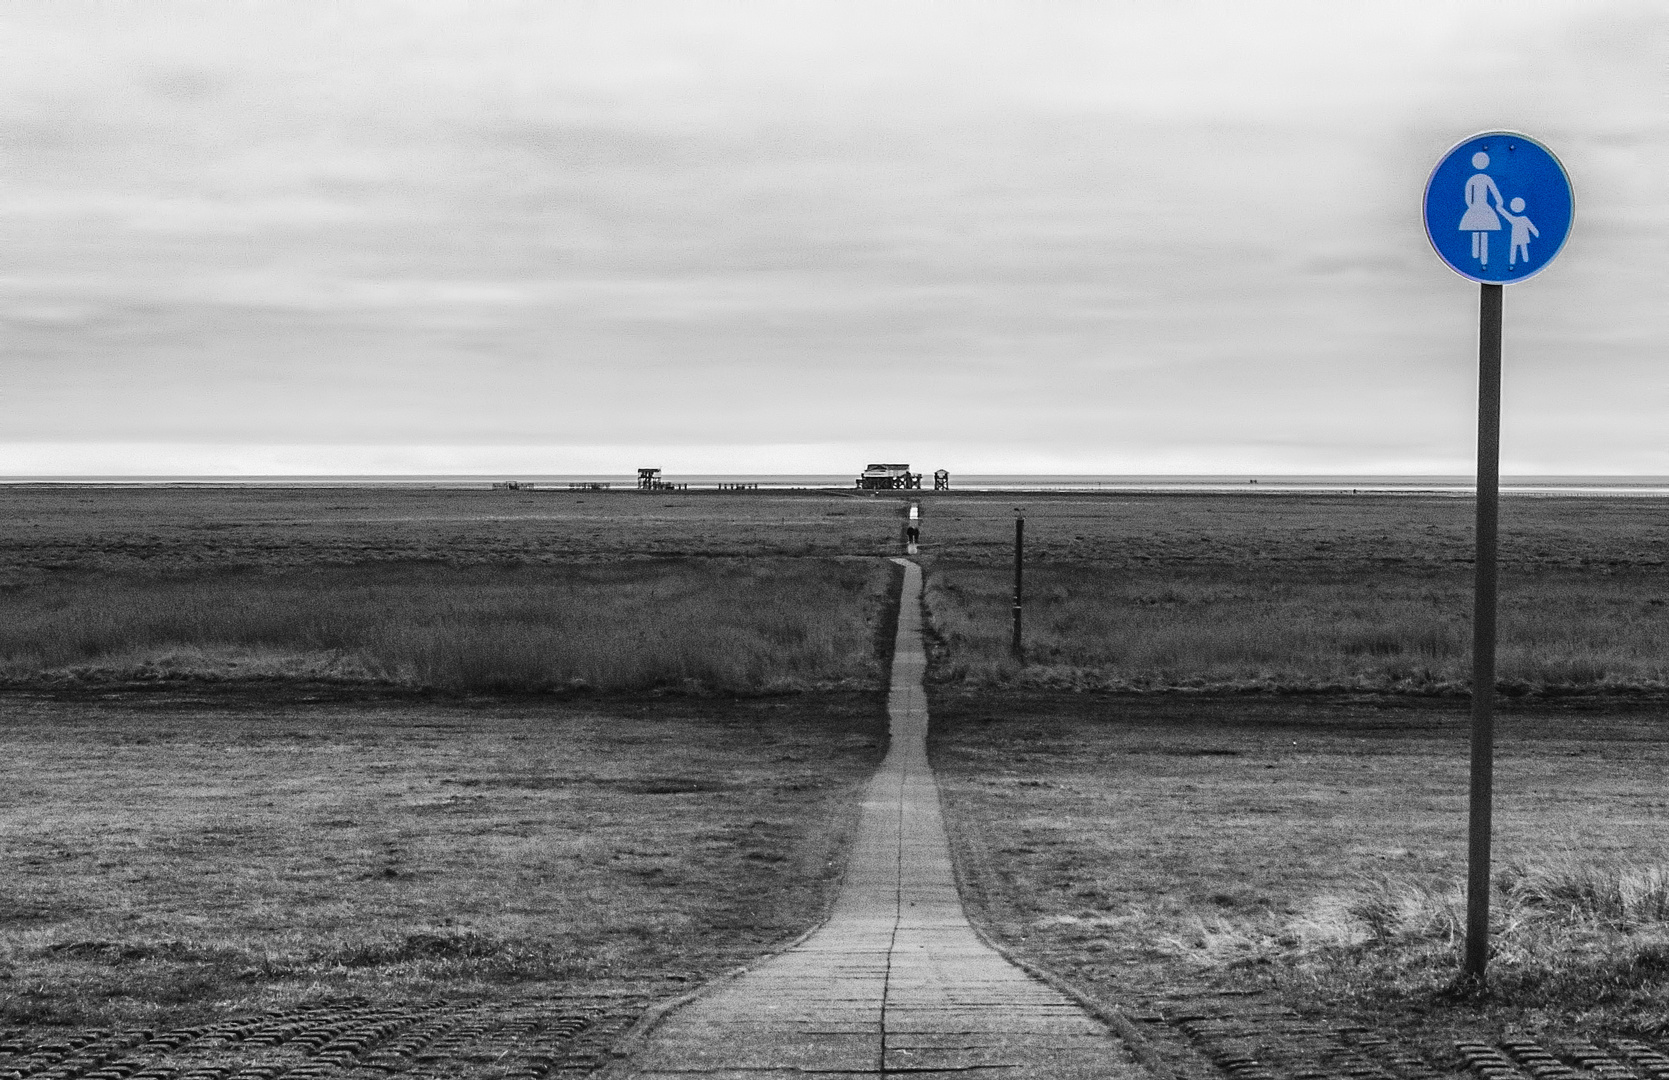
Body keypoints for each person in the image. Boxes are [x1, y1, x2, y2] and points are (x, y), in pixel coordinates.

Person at [1459, 151, 1507, 267]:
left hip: (1477, 207)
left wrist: (1471, 206)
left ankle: (1479, 256)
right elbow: (1494, 192)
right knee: (1482, 231)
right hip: (1482, 207)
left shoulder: (1475, 179)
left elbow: (1468, 195)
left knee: (1480, 231)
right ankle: (1479, 257)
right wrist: (1499, 202)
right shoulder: (1483, 178)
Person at [1498, 197, 1540, 267]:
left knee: (1519, 248)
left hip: (1519, 236)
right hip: (1518, 236)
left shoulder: (1519, 219)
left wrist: (1536, 233)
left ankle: (1521, 262)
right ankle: (1517, 262)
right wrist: (1500, 209)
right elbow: (1506, 215)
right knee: (1519, 248)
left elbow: (1531, 227)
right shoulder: (1520, 219)